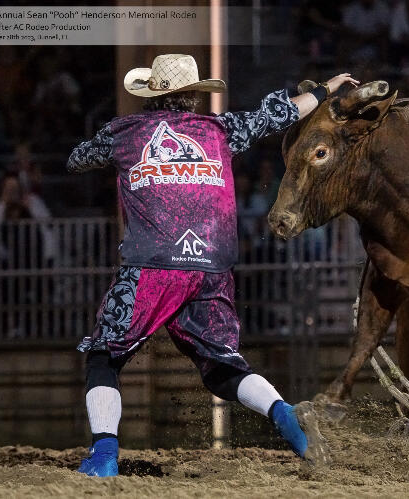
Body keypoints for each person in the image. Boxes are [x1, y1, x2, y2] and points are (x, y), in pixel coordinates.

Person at [66, 54, 358, 477]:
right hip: (212, 267)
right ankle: (286, 416)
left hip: (152, 266)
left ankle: (104, 456)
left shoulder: (125, 131)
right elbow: (278, 113)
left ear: (152, 94)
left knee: (103, 356)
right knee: (223, 365)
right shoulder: (220, 130)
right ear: (194, 95)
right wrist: (325, 89)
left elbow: (77, 159)